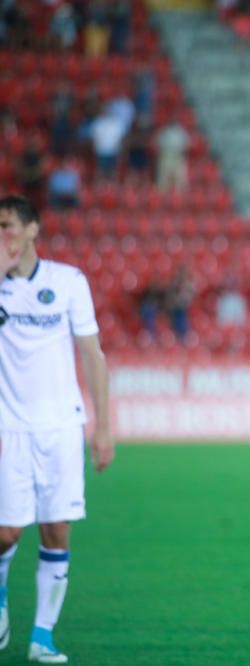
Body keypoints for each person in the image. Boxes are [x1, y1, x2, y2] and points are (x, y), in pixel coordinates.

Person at [0, 195, 115, 663]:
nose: (1, 233)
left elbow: (92, 354)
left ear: (32, 230)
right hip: (9, 427)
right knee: (7, 532)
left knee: (56, 531)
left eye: (6, 225)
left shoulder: (68, 282)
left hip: (62, 428)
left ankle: (42, 637)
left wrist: (103, 426)